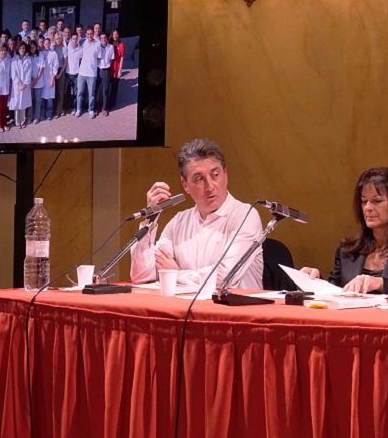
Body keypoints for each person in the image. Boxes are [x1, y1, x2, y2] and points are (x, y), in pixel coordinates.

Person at [130, 139, 264, 288]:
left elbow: (224, 278)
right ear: (185, 185)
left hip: (235, 310)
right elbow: (141, 275)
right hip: (185, 309)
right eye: (199, 179)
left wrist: (176, 274)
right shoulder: (179, 221)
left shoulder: (246, 216)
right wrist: (150, 219)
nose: (210, 186)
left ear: (225, 175)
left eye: (215, 175)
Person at [301, 168, 388, 296]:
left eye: (377, 201)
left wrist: (380, 283)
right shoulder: (347, 250)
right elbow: (336, 291)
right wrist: (315, 282)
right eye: (364, 201)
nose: (368, 208)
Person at [75, 29, 99, 118]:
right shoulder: (83, 43)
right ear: (86, 34)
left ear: (93, 34)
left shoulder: (97, 44)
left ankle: (91, 110)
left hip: (92, 74)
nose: (89, 36)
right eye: (88, 34)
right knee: (79, 93)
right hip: (82, 72)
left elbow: (99, 58)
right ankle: (78, 109)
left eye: (91, 34)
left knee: (91, 94)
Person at [10, 43, 32, 128]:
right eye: (20, 48)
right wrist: (19, 83)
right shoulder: (14, 60)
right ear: (18, 50)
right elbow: (13, 74)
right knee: (17, 103)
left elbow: (29, 72)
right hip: (17, 86)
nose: (22, 50)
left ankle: (22, 121)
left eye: (23, 48)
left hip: (25, 85)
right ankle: (17, 121)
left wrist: (25, 83)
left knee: (23, 103)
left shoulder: (28, 59)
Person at [97, 32, 115, 116]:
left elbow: (111, 59)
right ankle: (96, 108)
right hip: (97, 70)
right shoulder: (97, 47)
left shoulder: (110, 47)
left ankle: (104, 108)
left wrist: (106, 66)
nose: (103, 39)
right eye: (102, 38)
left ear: (107, 38)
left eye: (105, 38)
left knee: (105, 90)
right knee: (96, 90)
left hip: (106, 70)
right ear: (100, 39)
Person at [41, 38, 59, 121]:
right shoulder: (41, 53)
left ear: (50, 44)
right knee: (42, 98)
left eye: (48, 43)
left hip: (50, 78)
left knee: (49, 99)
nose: (47, 45)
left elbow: (55, 67)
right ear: (43, 44)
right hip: (42, 79)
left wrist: (52, 79)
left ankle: (49, 114)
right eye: (46, 43)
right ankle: (42, 114)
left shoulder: (54, 53)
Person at [64, 33, 82, 115]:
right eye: (73, 39)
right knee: (66, 92)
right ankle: (65, 107)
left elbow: (81, 61)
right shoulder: (67, 48)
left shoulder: (81, 49)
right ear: (71, 39)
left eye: (76, 39)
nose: (74, 40)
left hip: (76, 74)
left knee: (75, 93)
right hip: (68, 73)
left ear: (78, 39)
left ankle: (73, 108)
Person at [28, 42, 45, 124]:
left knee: (38, 101)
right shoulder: (28, 56)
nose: (32, 49)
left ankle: (36, 117)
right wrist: (32, 80)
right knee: (30, 101)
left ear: (36, 47)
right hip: (30, 82)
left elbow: (41, 69)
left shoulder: (40, 55)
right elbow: (27, 70)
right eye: (31, 47)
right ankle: (29, 117)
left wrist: (35, 80)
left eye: (34, 47)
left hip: (39, 82)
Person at [109, 28, 125, 111]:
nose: (115, 36)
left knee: (114, 87)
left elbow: (122, 58)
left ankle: (112, 104)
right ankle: (107, 102)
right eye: (114, 34)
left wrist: (120, 70)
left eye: (116, 34)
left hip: (116, 68)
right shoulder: (110, 44)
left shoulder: (121, 45)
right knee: (108, 86)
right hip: (109, 67)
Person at [52, 32, 67, 118]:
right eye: (57, 39)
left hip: (61, 70)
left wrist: (60, 73)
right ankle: (53, 110)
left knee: (60, 92)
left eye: (60, 39)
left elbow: (65, 62)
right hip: (53, 70)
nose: (58, 40)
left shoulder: (64, 49)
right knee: (54, 91)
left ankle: (59, 111)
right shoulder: (53, 48)